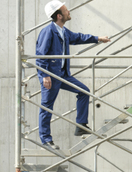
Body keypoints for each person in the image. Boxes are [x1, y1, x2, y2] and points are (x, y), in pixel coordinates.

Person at [36, 0, 110, 150]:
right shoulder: (48, 31)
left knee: (84, 91)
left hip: (63, 75)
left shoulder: (63, 31)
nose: (68, 11)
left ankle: (81, 124)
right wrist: (45, 75)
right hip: (51, 76)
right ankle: (46, 140)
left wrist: (97, 38)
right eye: (65, 10)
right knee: (47, 107)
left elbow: (78, 37)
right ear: (59, 16)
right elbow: (40, 55)